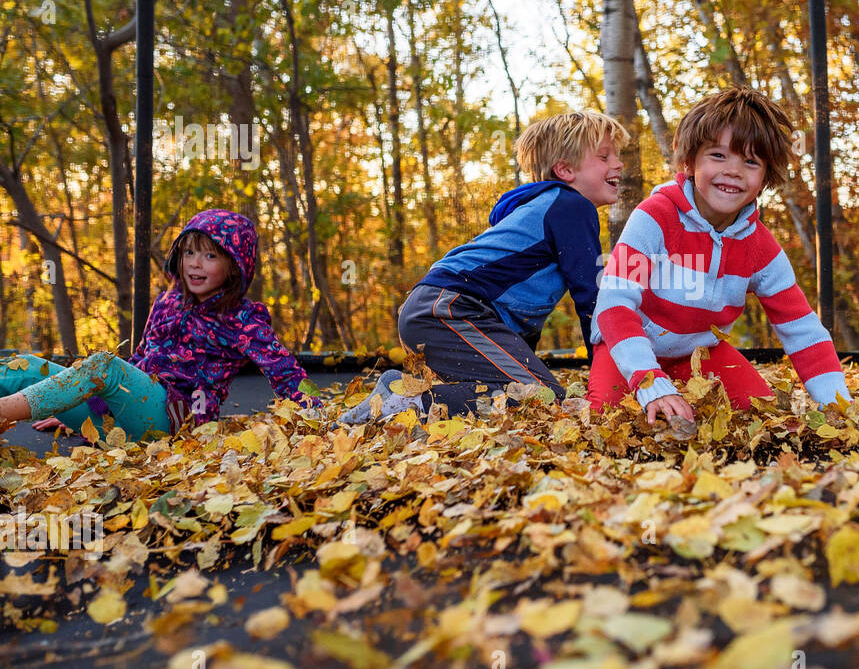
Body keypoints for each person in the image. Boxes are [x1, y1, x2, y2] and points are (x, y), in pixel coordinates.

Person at [342, 110, 629, 423]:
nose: (618, 163)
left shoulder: (546, 208)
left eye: (617, 155)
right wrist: (609, 377)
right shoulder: (571, 206)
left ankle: (405, 396)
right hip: (448, 308)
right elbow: (591, 299)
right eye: (604, 156)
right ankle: (403, 402)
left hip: (436, 310)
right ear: (565, 169)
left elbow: (513, 326)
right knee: (540, 399)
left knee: (535, 393)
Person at [588, 87, 849, 423]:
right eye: (718, 156)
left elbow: (802, 328)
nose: (734, 171)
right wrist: (651, 382)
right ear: (690, 161)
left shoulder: (760, 247)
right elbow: (614, 305)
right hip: (627, 347)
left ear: (765, 177)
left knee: (758, 414)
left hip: (700, 354)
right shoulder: (654, 217)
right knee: (611, 418)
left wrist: (838, 407)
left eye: (751, 161)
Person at [0, 209, 321, 442]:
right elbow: (141, 361)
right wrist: (71, 404)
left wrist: (317, 417)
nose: (195, 262)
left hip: (172, 422)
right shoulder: (167, 302)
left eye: (210, 256)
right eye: (189, 252)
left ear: (234, 266)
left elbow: (286, 372)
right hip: (118, 419)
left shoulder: (243, 318)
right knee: (24, 366)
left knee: (104, 364)